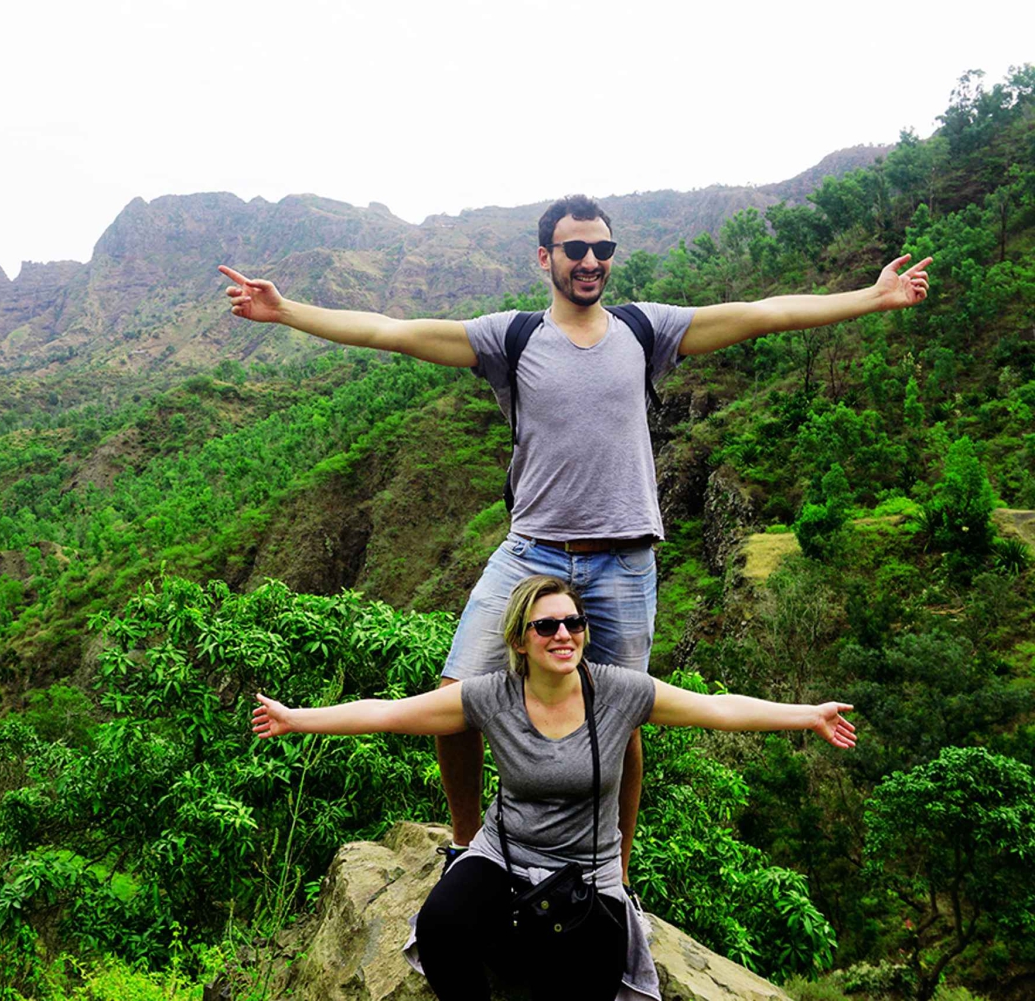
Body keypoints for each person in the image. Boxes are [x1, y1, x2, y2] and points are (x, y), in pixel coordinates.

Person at [221, 194, 929, 879]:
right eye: (575, 249)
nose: (590, 261)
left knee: (623, 715)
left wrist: (868, 297)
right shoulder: (512, 338)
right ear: (545, 257)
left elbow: (760, 316)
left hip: (624, 560)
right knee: (456, 693)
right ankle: (471, 847)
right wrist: (285, 313)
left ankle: (614, 876)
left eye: (603, 249)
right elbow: (391, 329)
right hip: (531, 553)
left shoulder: (645, 329)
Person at [251, 574, 857, 1001]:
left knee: (570, 982)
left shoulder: (619, 692)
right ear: (520, 640)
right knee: (440, 931)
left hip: (587, 873)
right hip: (505, 855)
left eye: (573, 622)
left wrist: (806, 715)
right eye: (547, 626)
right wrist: (295, 718)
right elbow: (389, 713)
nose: (563, 634)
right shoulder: (491, 695)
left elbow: (718, 709)